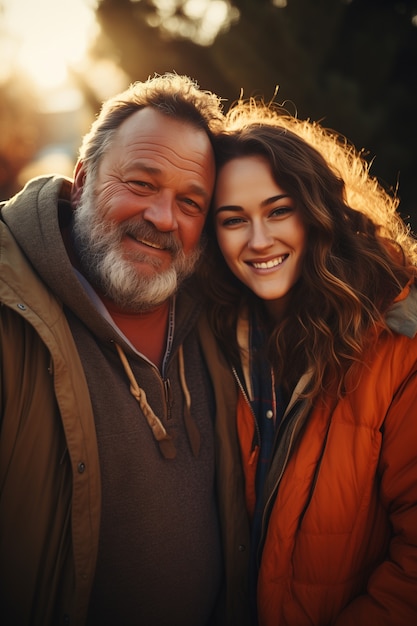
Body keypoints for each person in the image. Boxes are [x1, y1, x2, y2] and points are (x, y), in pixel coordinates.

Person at [0, 73, 251, 626]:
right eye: (141, 183)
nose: (163, 218)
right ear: (83, 179)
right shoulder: (9, 317)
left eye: (190, 203)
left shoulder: (222, 314)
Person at [198, 100, 417, 625]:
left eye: (278, 210)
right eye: (233, 220)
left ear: (317, 209)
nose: (258, 240)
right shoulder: (208, 336)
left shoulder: (396, 340)